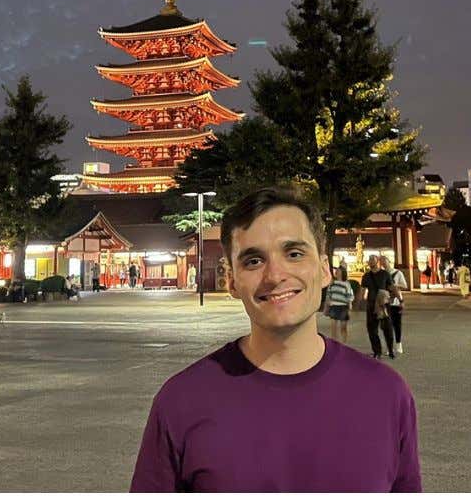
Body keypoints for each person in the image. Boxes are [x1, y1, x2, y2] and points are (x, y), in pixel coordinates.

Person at [130, 188, 420, 492]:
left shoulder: (386, 394)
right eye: (253, 261)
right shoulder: (182, 401)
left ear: (324, 270)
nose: (275, 275)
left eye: (294, 254)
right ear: (231, 282)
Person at [361, 254, 395, 359]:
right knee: (372, 329)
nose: (370, 261)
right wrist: (360, 302)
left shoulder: (385, 274)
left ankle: (390, 350)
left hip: (383, 305)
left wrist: (393, 298)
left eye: (373, 260)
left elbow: (391, 287)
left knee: (387, 328)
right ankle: (377, 351)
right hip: (371, 305)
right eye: (369, 260)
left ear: (377, 262)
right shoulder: (366, 276)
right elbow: (363, 290)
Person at [381, 256, 408, 355]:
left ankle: (398, 344)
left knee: (397, 324)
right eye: (381, 262)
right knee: (387, 326)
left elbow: (405, 285)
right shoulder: (382, 274)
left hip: (396, 302)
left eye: (385, 261)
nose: (383, 264)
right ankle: (389, 347)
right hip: (385, 302)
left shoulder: (398, 273)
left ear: (389, 262)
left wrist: (396, 285)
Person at [323, 266, 354, 342]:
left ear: (343, 273)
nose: (337, 272)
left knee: (343, 327)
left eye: (339, 271)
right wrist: (326, 307)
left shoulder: (346, 284)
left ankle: (344, 343)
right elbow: (328, 295)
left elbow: (349, 295)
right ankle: (335, 343)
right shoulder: (332, 283)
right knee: (333, 327)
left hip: (343, 307)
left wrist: (350, 305)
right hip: (334, 306)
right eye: (336, 271)